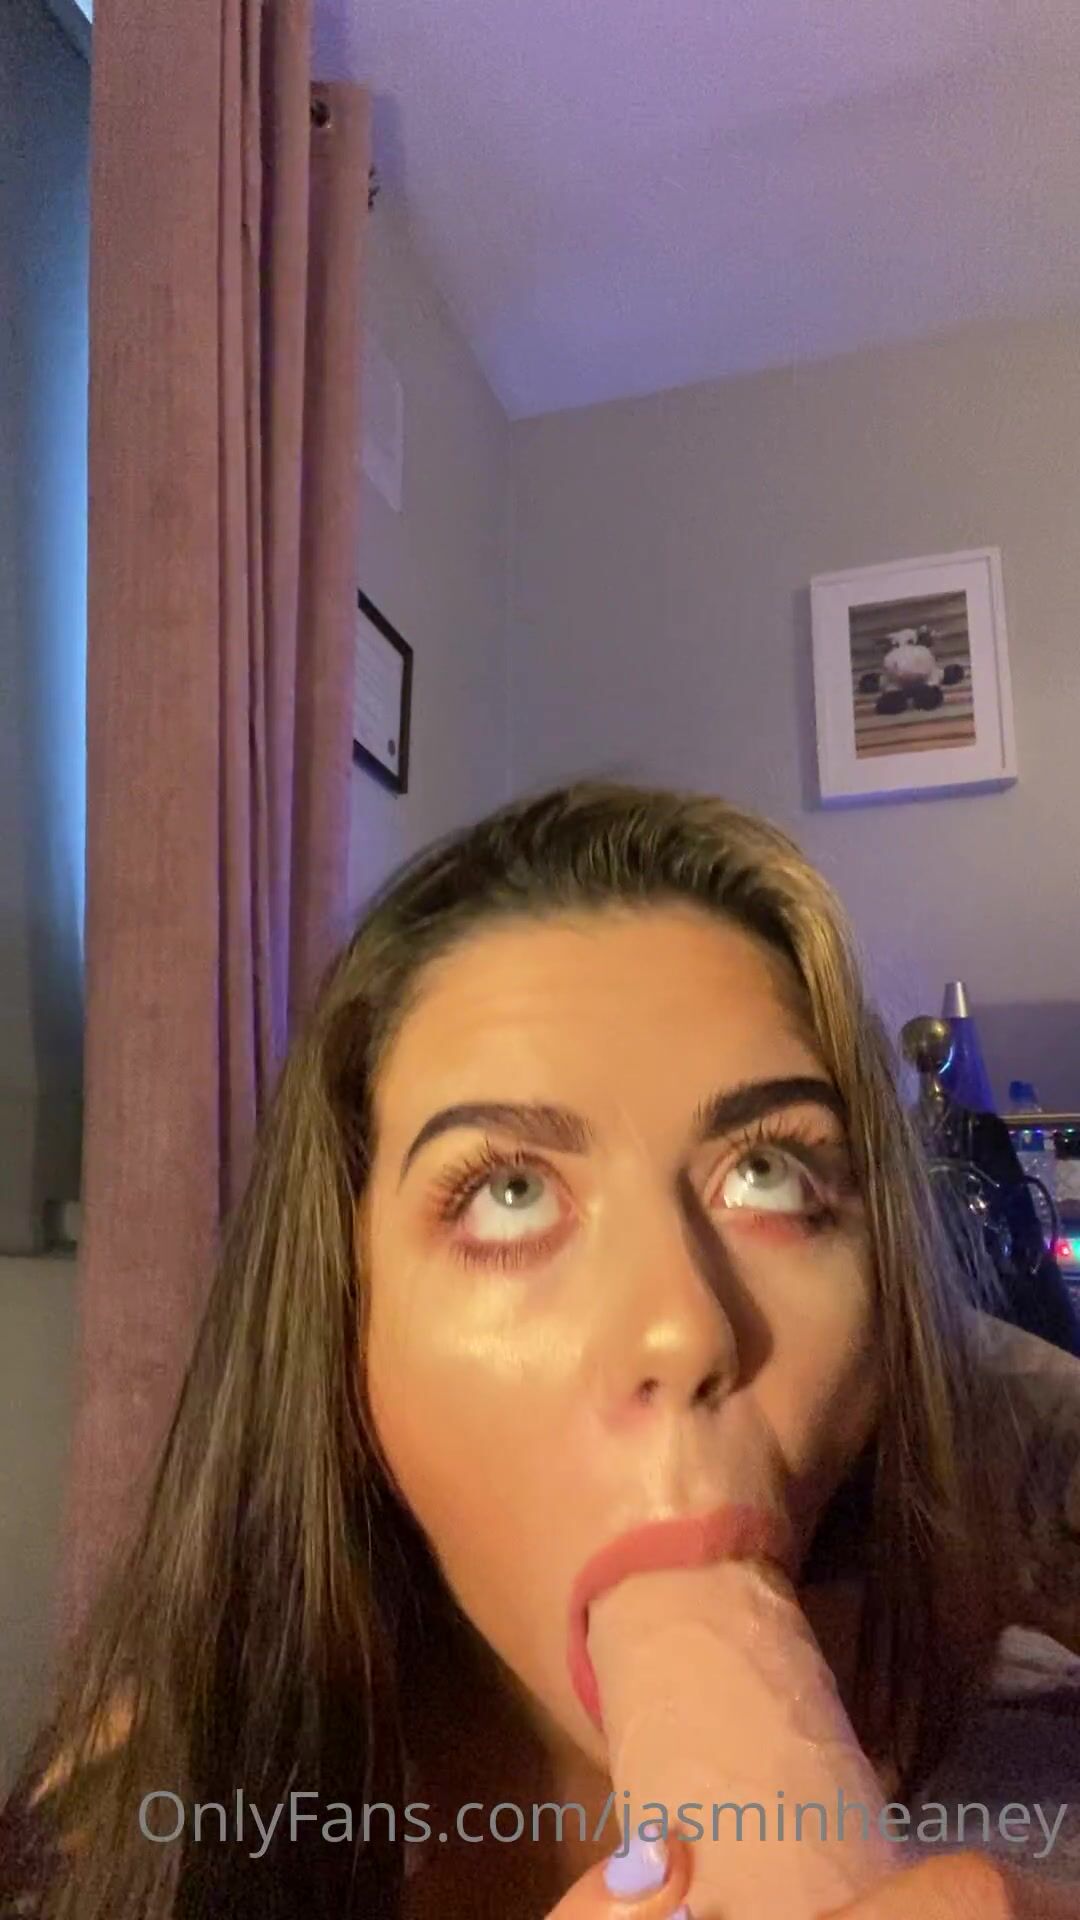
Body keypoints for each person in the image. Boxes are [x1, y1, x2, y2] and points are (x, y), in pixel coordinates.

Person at [1, 781, 1077, 1920]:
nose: (686, 1328)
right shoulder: (154, 1842)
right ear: (344, 1336)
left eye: (767, 1174)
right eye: (508, 1193)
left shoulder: (1021, 1759)